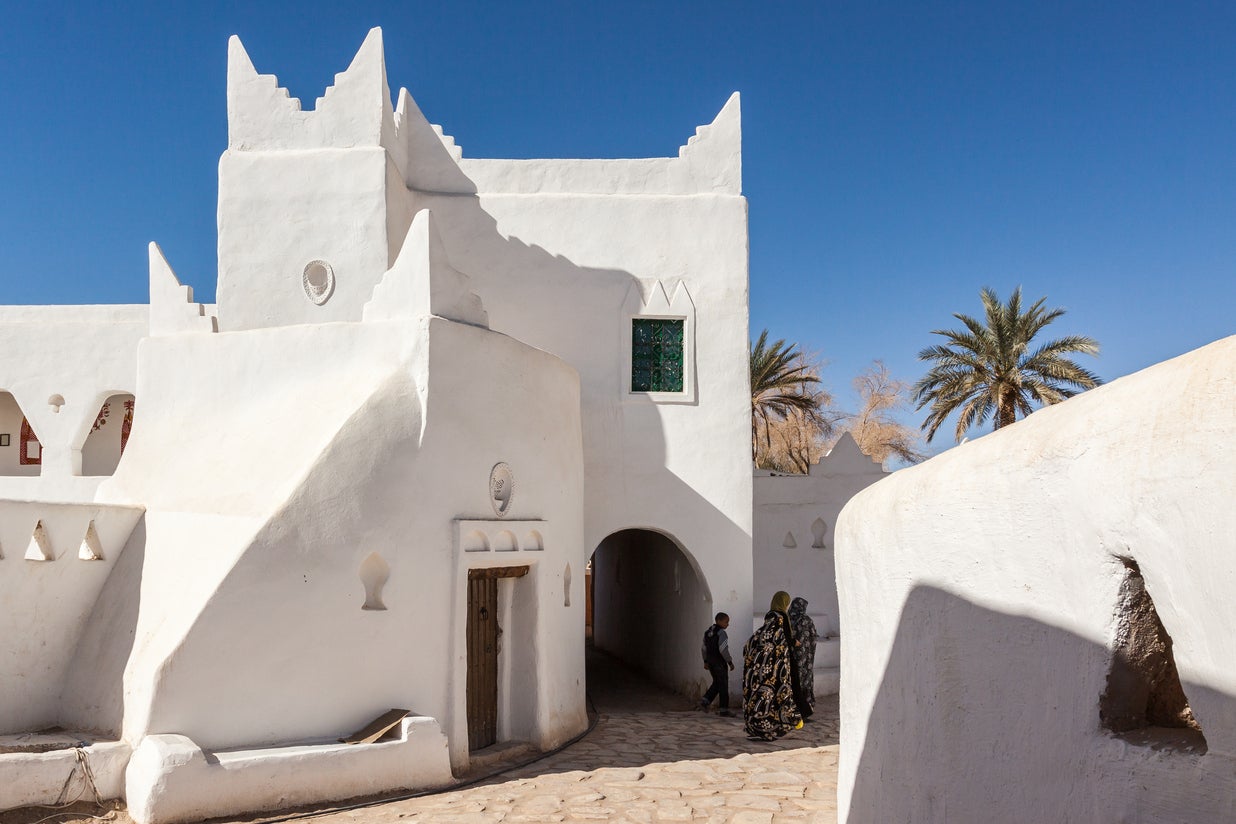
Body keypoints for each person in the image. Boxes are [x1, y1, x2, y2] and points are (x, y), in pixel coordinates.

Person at [742, 593, 802, 740]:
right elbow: (784, 638)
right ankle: (775, 727)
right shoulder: (781, 617)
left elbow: (767, 637)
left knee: (760, 696)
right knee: (777, 694)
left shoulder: (770, 616)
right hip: (776, 664)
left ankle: (757, 728)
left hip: (764, 664)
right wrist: (794, 643)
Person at [698, 612, 735, 716]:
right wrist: (729, 662)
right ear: (719, 621)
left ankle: (705, 701)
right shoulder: (721, 633)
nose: (728, 624)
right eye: (726, 622)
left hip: (711, 662)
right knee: (723, 685)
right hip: (719, 662)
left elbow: (703, 648)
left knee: (717, 683)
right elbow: (723, 649)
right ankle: (724, 710)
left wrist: (705, 661)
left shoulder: (707, 632)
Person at [788, 596, 819, 718]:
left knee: (793, 680)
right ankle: (804, 707)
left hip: (791, 656)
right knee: (805, 680)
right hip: (805, 658)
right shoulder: (806, 620)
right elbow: (813, 636)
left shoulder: (788, 618)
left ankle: (792, 706)